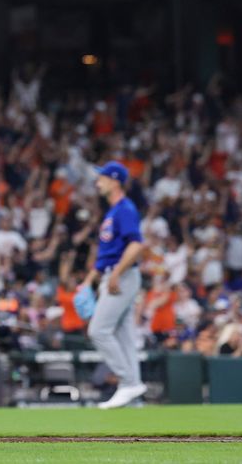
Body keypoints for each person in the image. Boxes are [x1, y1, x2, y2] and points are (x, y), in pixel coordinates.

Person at [79, 161, 146, 409]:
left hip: (123, 276)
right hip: (115, 274)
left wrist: (117, 273)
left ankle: (128, 383)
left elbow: (137, 245)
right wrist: (88, 282)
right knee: (124, 336)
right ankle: (134, 394)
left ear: (115, 180)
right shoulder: (113, 211)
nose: (98, 181)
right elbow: (106, 254)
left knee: (98, 330)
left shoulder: (125, 209)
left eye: (102, 177)